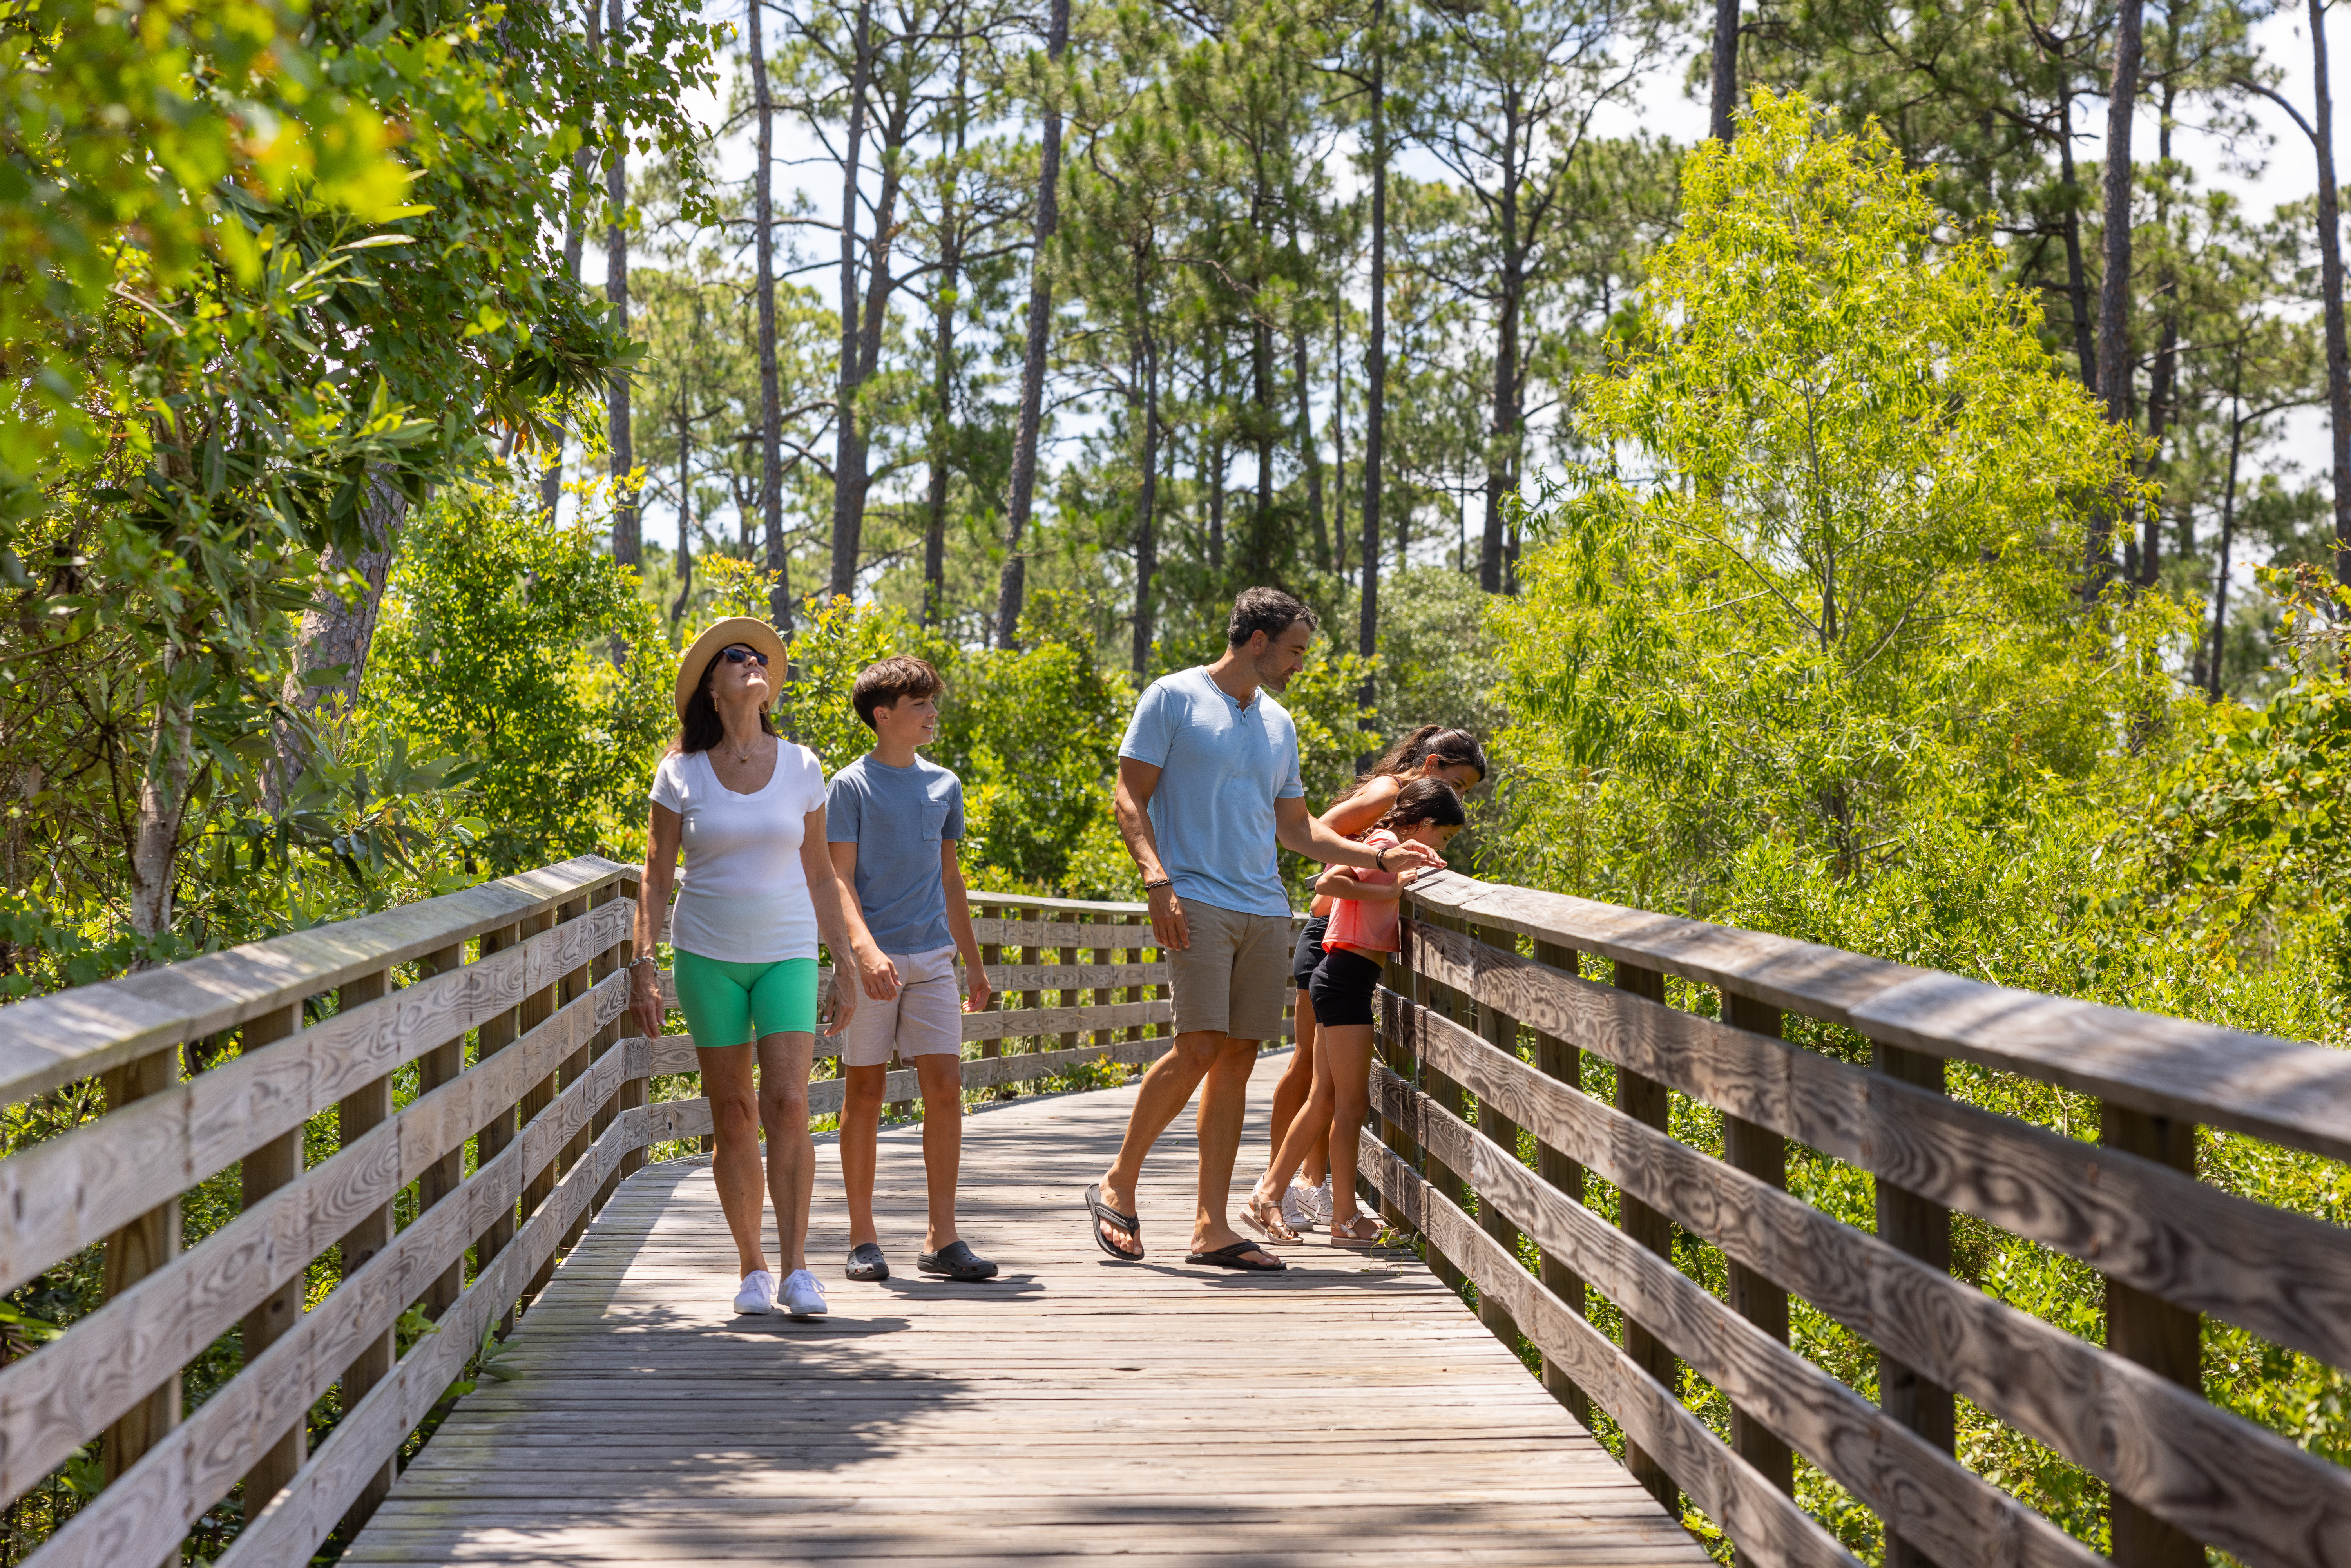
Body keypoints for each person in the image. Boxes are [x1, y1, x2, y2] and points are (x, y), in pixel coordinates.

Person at [1084, 587, 1447, 1270]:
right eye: (1295, 649)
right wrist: (1155, 877)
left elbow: (1297, 829)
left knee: (1239, 1057)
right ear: (1257, 640)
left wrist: (1378, 854)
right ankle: (1118, 1181)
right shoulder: (1173, 697)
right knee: (1198, 1047)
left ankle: (1211, 1227)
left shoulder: (1279, 723)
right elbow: (1129, 794)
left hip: (1262, 903)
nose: (1300, 663)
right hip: (1193, 893)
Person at [628, 617, 897, 1320]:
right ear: (713, 689)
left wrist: (844, 961)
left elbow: (821, 874)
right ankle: (751, 1266)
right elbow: (656, 876)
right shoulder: (679, 771)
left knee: (788, 1104)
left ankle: (798, 1268)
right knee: (734, 1113)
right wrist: (642, 964)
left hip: (786, 951)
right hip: (706, 956)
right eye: (735, 658)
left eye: (759, 658)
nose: (753, 663)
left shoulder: (803, 765)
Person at [1259, 728, 1486, 1237]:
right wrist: (1386, 871)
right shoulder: (1389, 801)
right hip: (1333, 948)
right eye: (1460, 784)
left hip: (1343, 956)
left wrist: (1397, 875)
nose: (1462, 795)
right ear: (1434, 767)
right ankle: (1290, 1191)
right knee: (1330, 1090)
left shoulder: (1399, 821)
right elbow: (1317, 840)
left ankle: (1310, 1194)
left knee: (1329, 1092)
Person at [828, 655, 1000, 1285]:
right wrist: (864, 954)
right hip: (874, 961)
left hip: (934, 961)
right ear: (884, 716)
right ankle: (862, 1237)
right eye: (921, 704)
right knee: (865, 1094)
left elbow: (951, 878)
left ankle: (942, 1237)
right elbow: (838, 880)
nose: (933, 713)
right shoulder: (849, 787)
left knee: (947, 1092)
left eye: (932, 702)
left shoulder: (945, 785)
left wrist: (974, 964)